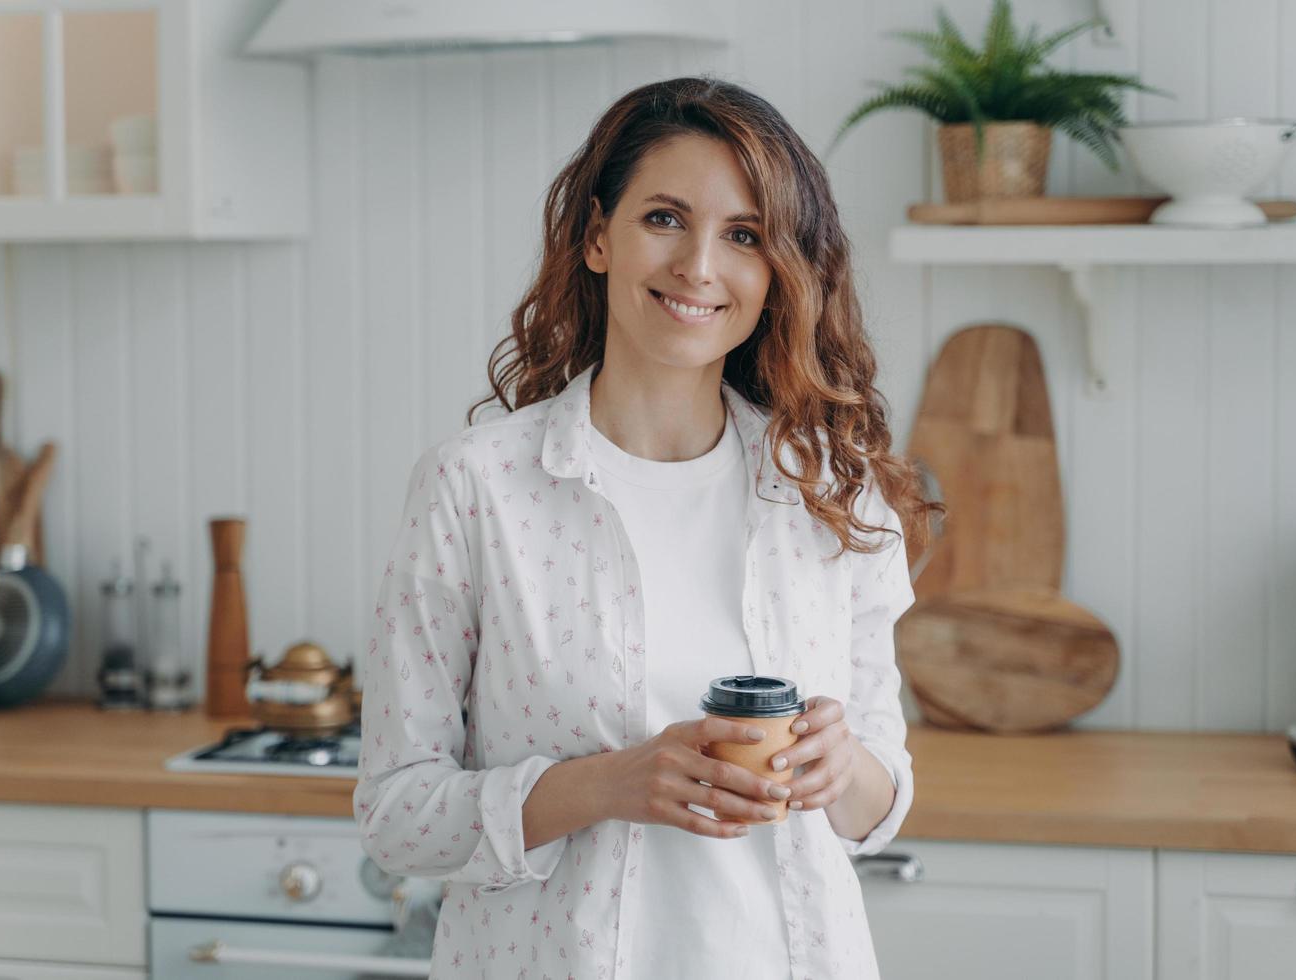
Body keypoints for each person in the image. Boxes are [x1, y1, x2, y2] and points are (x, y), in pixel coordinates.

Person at [355, 74, 938, 979]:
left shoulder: (833, 496)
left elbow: (877, 807)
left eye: (743, 236)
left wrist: (841, 767)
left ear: (777, 270)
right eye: (665, 218)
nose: (699, 267)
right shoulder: (475, 489)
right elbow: (396, 815)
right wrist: (605, 786)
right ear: (597, 237)